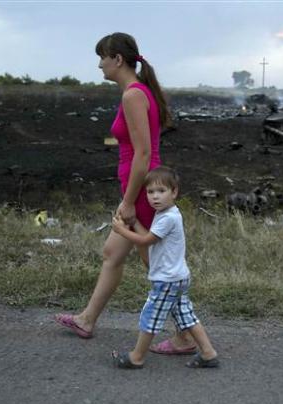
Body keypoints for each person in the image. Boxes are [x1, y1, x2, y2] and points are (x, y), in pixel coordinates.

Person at [54, 32, 195, 354]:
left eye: (102, 57)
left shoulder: (133, 95)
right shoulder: (139, 91)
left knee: (160, 271)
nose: (99, 64)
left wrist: (130, 202)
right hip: (135, 189)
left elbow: (143, 154)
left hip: (141, 193)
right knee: (112, 254)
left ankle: (187, 336)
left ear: (117, 59)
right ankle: (87, 319)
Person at [110, 166, 219, 369]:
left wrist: (121, 230)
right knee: (185, 315)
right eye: (150, 192)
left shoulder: (168, 218)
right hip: (177, 277)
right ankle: (208, 353)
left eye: (161, 191)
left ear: (174, 192)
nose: (155, 197)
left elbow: (146, 240)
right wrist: (133, 222)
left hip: (167, 279)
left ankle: (137, 357)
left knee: (150, 315)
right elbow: (151, 237)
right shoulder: (167, 213)